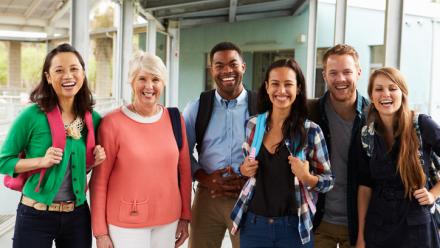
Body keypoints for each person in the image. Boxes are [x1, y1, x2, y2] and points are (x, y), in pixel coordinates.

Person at [0, 43, 106, 248]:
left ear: (83, 73)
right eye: (59, 70)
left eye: (74, 69)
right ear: (48, 77)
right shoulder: (31, 116)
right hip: (34, 215)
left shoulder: (92, 119)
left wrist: (95, 160)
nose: (68, 76)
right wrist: (41, 161)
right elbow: (3, 161)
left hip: (77, 215)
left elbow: (79, 167)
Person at [90, 51, 192, 248]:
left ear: (163, 83)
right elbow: (99, 181)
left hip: (168, 219)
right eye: (142, 79)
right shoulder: (112, 123)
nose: (149, 86)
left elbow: (185, 171)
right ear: (131, 81)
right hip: (125, 224)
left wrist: (185, 216)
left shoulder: (174, 119)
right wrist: (100, 232)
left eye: (156, 79)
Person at [231, 58, 334, 247]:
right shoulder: (253, 125)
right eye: (275, 84)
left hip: (294, 229)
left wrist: (307, 177)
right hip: (254, 228)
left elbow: (327, 181)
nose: (281, 91)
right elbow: (245, 170)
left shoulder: (311, 131)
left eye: (288, 84)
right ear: (267, 87)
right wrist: (244, 169)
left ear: (299, 88)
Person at [183, 41, 257, 248]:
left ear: (243, 66)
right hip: (208, 195)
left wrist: (250, 180)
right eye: (219, 65)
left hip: (250, 196)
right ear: (211, 70)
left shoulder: (260, 106)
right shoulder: (197, 107)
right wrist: (205, 178)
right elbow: (182, 154)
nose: (227, 70)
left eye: (233, 64)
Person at [356, 67, 440, 248]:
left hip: (416, 227)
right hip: (378, 226)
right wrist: (361, 237)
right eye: (378, 89)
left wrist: (433, 194)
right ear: (371, 95)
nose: (385, 94)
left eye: (392, 88)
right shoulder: (366, 134)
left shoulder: (422, 124)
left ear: (403, 93)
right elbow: (365, 187)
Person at [308, 44, 369, 247]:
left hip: (360, 225)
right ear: (324, 75)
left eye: (347, 72)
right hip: (317, 221)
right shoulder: (310, 112)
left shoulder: (375, 116)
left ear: (358, 73)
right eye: (333, 73)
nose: (340, 79)